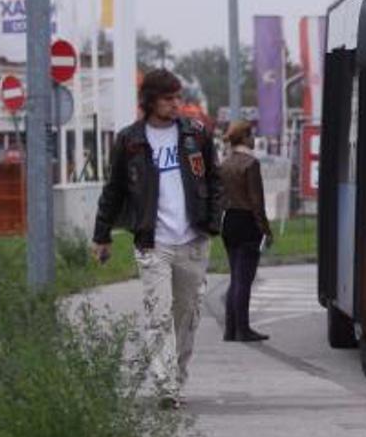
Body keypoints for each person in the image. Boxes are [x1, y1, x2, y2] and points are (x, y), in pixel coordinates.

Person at [92, 68, 222, 408]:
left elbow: (215, 179)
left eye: (179, 97)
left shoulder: (196, 135)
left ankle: (176, 376)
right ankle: (166, 387)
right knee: (158, 315)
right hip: (153, 242)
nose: (176, 104)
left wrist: (212, 222)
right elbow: (114, 189)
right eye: (168, 98)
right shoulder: (130, 140)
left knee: (186, 314)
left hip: (192, 239)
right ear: (150, 101)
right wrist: (101, 234)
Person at [218, 121, 273, 342]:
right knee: (244, 279)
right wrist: (266, 230)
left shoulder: (224, 164)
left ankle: (230, 329)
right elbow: (256, 202)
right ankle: (243, 329)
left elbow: (220, 198)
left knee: (235, 277)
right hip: (248, 221)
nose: (253, 139)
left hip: (229, 221)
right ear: (245, 137)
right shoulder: (251, 164)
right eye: (251, 135)